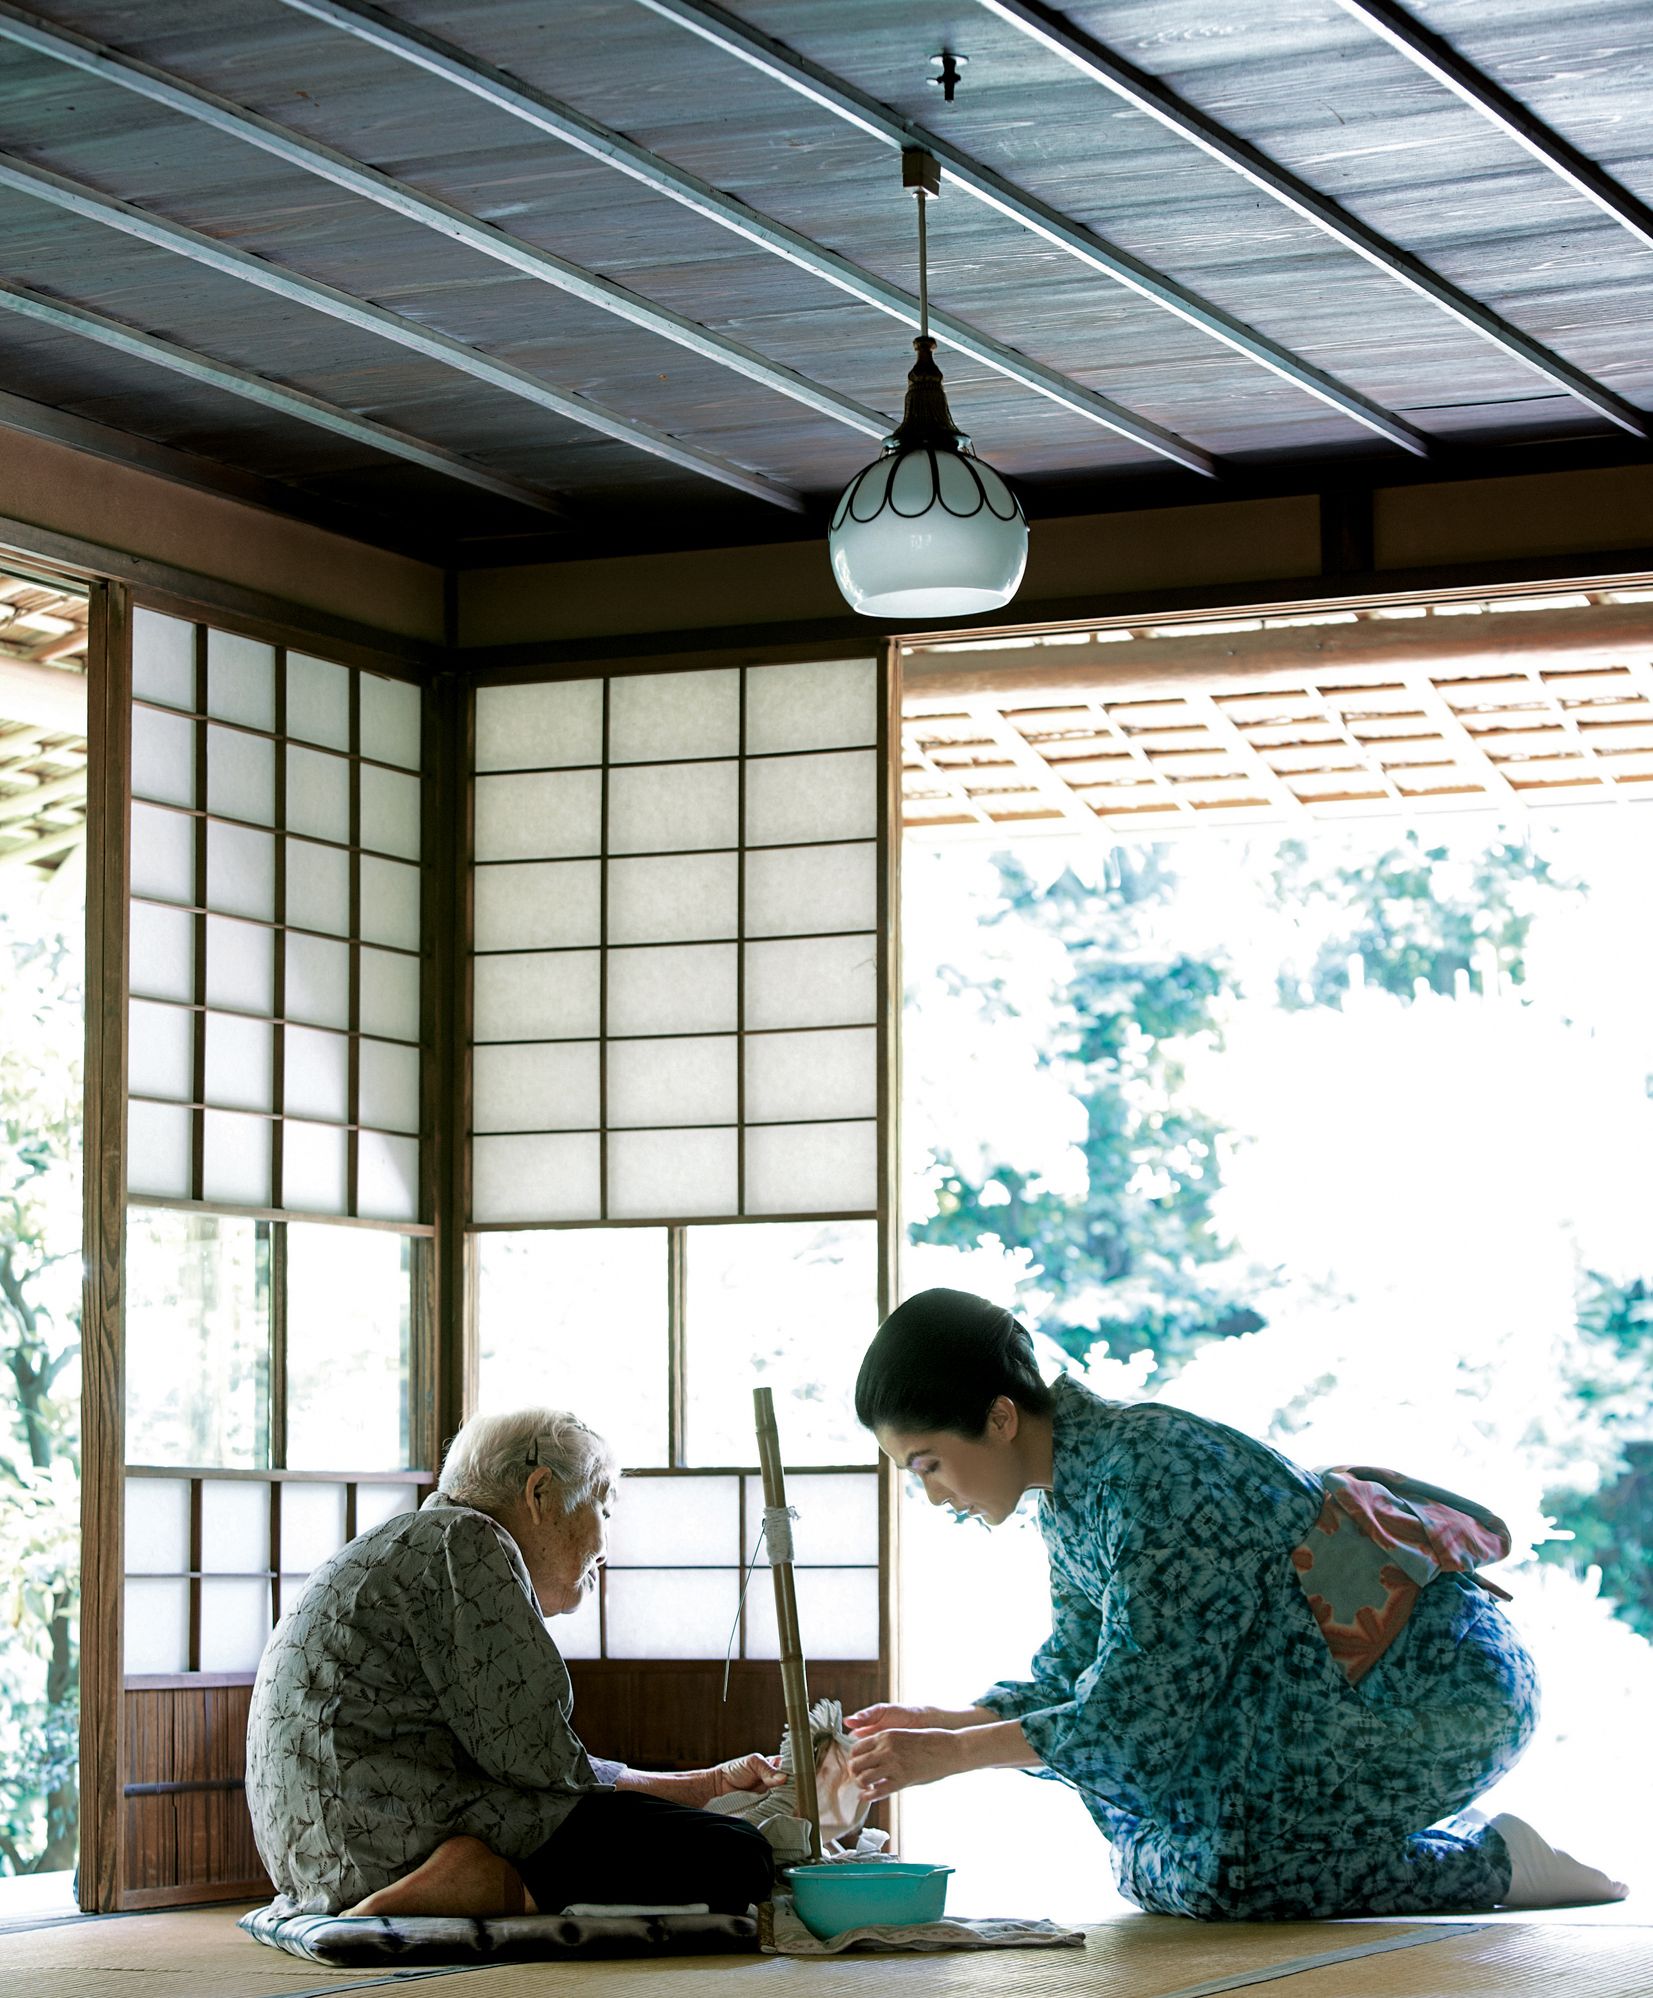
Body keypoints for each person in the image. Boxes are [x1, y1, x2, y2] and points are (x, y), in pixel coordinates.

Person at [845, 1288, 1629, 1921]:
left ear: (1000, 1418)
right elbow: (1077, 1675)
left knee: (1229, 1876)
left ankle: (1491, 1861)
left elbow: (1138, 1718)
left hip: (1438, 1692)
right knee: (1164, 1868)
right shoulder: (1070, 1494)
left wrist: (950, 1756)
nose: (932, 1494)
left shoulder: (1150, 1473)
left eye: (929, 1464)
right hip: (1319, 1713)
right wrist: (943, 1723)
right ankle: (1407, 1844)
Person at [247, 1407, 779, 1918]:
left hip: (320, 1860)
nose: (607, 1544)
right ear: (540, 1492)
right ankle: (478, 1884)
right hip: (398, 1838)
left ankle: (485, 1884)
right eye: (604, 1506)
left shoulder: (408, 1540)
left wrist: (703, 1787)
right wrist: (698, 1795)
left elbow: (533, 1762)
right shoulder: (470, 1539)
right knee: (740, 1854)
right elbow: (541, 1763)